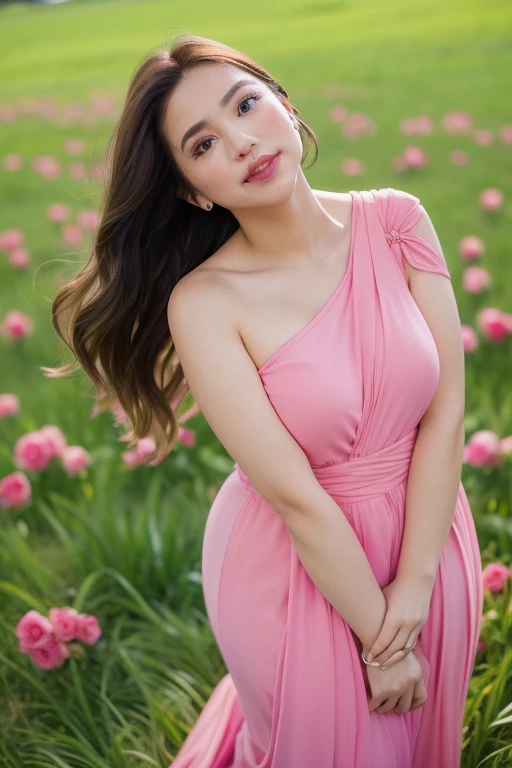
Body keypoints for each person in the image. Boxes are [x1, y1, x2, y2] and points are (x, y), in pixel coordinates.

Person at [44, 33, 484, 768]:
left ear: (283, 100)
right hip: (295, 568)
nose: (244, 141)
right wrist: (383, 639)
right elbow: (293, 495)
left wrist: (415, 587)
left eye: (247, 104)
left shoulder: (399, 220)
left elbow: (445, 414)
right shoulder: (206, 303)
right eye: (204, 143)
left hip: (429, 537)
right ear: (191, 187)